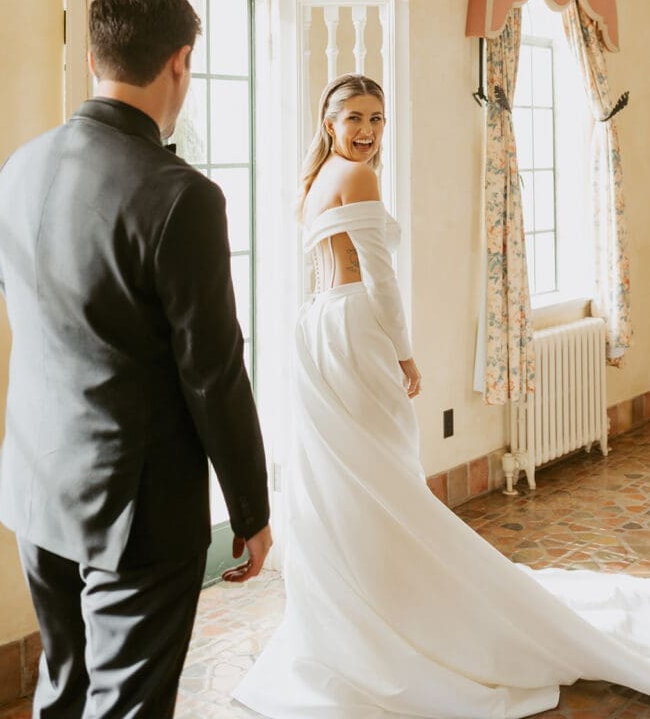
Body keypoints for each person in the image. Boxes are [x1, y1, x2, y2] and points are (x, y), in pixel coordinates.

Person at [234, 73, 650, 719]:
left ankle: (364, 605)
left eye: (377, 118)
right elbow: (381, 280)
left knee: (347, 479)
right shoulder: (359, 178)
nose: (368, 132)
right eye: (355, 119)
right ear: (329, 122)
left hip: (315, 333)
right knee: (385, 474)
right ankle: (400, 600)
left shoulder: (312, 183)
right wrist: (404, 355)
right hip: (353, 330)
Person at [0, 0, 271, 719]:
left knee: (64, 689)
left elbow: (25, 303)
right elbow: (214, 373)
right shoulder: (181, 194)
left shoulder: (18, 167)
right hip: (134, 510)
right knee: (127, 707)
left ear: (92, 59)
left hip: (34, 482)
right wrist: (250, 508)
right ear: (180, 62)